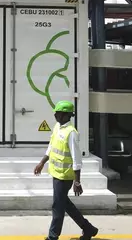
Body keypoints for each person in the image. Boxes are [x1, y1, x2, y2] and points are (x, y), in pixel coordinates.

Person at [33, 100, 98, 240]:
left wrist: (77, 181)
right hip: (56, 173)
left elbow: (76, 158)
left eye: (58, 113)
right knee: (64, 204)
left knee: (58, 206)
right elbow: (51, 146)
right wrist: (42, 162)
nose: (55, 115)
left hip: (65, 176)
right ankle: (89, 229)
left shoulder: (71, 133)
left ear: (65, 115)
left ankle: (52, 237)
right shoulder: (58, 127)